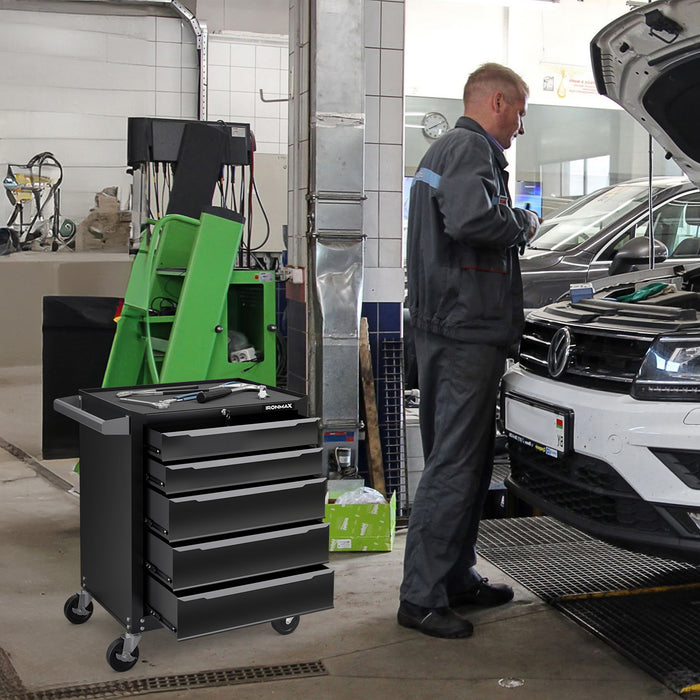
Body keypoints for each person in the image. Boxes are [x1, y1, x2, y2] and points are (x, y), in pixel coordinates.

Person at [398, 62, 540, 639]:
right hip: (463, 332)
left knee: (468, 461)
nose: (520, 129)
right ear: (499, 102)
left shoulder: (444, 152)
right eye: (521, 115)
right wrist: (524, 222)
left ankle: (455, 577)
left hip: (450, 327)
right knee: (455, 464)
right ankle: (421, 596)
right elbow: (473, 218)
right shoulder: (469, 149)